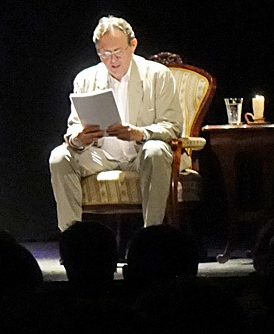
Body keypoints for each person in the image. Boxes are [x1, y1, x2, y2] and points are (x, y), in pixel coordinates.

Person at [48, 16, 182, 232]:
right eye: (105, 54)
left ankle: (151, 235)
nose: (113, 59)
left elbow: (172, 126)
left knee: (156, 151)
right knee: (59, 157)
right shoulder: (85, 79)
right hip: (100, 155)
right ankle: (71, 237)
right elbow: (73, 126)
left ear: (133, 45)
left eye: (118, 51)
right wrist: (78, 138)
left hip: (140, 153)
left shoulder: (158, 75)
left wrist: (140, 133)